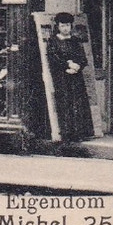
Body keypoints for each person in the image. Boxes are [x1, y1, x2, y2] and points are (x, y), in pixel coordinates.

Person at [46, 12, 94, 148]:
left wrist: (77, 66)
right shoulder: (53, 41)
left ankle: (78, 133)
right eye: (63, 25)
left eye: (67, 25)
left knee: (77, 104)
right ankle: (66, 134)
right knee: (65, 104)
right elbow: (53, 58)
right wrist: (67, 65)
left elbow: (83, 58)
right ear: (58, 26)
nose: (65, 28)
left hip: (76, 77)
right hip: (62, 77)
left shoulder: (75, 40)